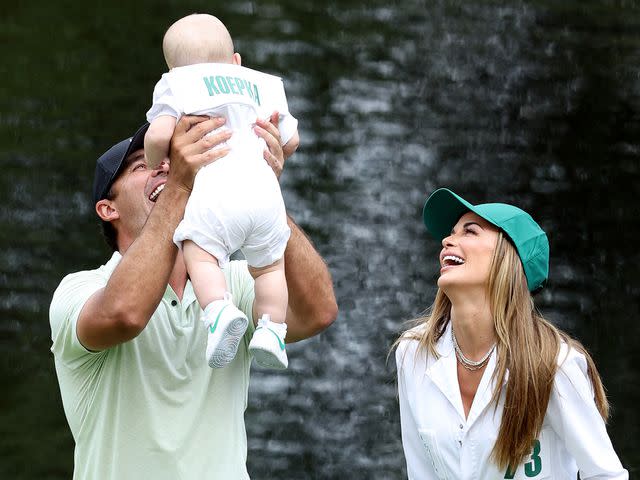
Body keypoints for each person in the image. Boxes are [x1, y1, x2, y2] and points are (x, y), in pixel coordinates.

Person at [49, 114, 337, 480]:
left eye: (172, 161)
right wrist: (179, 187)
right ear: (109, 209)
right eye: (144, 165)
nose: (165, 167)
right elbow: (125, 314)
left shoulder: (233, 280)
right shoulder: (80, 289)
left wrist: (262, 189)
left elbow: (318, 311)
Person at [395, 188, 627, 479]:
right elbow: (420, 471)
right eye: (451, 233)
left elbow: (606, 475)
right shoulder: (413, 353)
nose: (446, 240)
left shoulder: (555, 364)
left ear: (508, 257)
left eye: (470, 232)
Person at [145, 14, 300, 370]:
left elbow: (156, 137)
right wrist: (274, 158)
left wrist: (159, 161)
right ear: (236, 61)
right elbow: (291, 140)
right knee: (270, 267)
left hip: (215, 196)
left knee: (200, 252)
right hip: (266, 193)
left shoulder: (178, 84)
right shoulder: (259, 85)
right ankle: (273, 330)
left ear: (170, 70)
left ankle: (218, 311)